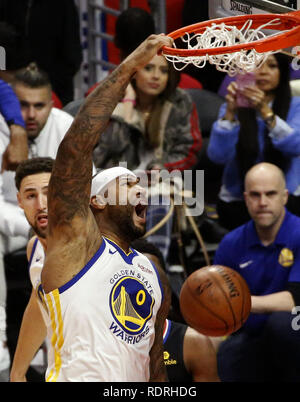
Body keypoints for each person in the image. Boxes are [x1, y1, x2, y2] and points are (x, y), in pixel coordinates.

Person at [38, 34, 172, 382]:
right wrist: (130, 67)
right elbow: (77, 148)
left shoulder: (154, 275)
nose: (139, 190)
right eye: (127, 183)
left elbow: (155, 367)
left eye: (139, 185)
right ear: (95, 200)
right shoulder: (76, 244)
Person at [0, 64, 73, 376]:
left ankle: (55, 352)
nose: (30, 114)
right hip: (8, 225)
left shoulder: (67, 126)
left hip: (54, 226)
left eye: (39, 105)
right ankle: (2, 353)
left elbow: (82, 191)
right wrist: (30, 220)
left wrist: (45, 222)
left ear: (52, 104)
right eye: (23, 105)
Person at [214, 162, 300, 382]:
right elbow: (217, 306)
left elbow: (295, 300)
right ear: (245, 198)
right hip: (250, 336)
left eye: (270, 194)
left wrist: (239, 303)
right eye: (255, 195)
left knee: (281, 325)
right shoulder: (231, 243)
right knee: (223, 355)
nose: (262, 202)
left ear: (285, 196)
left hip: (293, 330)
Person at [207, 53, 300, 230]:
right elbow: (217, 156)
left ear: (283, 72)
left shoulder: (297, 105)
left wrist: (266, 112)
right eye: (257, 65)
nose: (263, 72)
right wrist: (230, 115)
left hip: (286, 199)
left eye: (272, 66)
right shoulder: (231, 106)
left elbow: (296, 146)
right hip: (237, 200)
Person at [131, 238, 220, 382]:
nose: (145, 282)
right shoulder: (103, 340)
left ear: (165, 283)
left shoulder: (192, 342)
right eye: (136, 274)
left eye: (152, 274)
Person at [9, 157, 53, 382]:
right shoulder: (33, 247)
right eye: (31, 196)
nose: (41, 204)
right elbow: (40, 302)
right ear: (19, 201)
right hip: (60, 370)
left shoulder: (88, 243)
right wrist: (18, 372)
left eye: (48, 192)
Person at [0, 0, 82, 105]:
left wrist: (45, 82)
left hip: (55, 88)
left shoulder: (63, 4)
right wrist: (4, 72)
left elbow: (72, 53)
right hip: (11, 81)